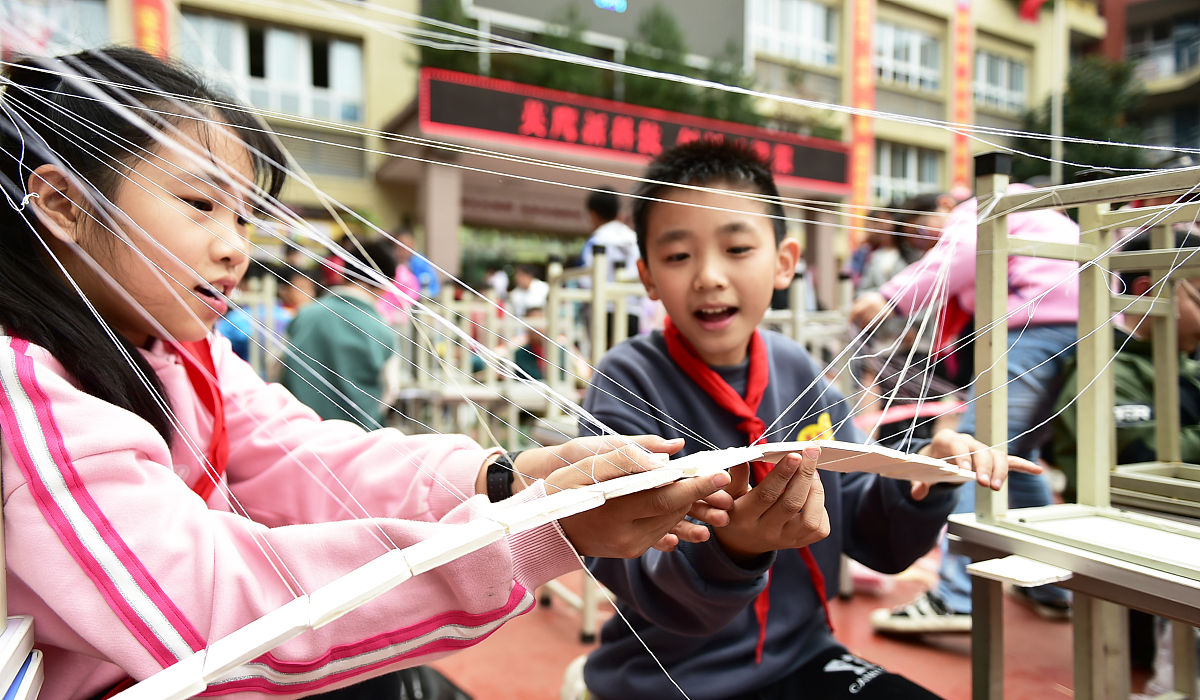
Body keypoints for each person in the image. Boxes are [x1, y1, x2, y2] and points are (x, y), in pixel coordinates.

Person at [0, 47, 735, 700]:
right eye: (200, 205)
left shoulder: (177, 349)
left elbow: (308, 453)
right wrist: (534, 529)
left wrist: (510, 478)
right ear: (62, 204)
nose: (234, 249)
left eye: (246, 219)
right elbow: (210, 616)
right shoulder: (27, 394)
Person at [579, 140, 1038, 700]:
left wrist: (921, 484)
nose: (708, 276)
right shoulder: (629, 380)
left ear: (785, 262)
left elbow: (873, 538)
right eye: (678, 257)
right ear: (648, 277)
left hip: (805, 657)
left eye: (737, 248)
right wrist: (735, 549)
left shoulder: (799, 370)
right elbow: (623, 557)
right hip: (672, 678)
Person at [853, 181, 1080, 634]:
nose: (927, 244)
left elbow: (956, 255)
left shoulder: (981, 207)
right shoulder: (1034, 211)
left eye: (924, 233)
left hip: (1033, 327)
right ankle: (1051, 586)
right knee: (1020, 459)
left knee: (972, 451)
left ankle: (956, 594)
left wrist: (888, 297)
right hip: (1080, 325)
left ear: (944, 205)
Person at [1048, 230, 1200, 695]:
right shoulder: (1105, 367)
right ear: (1147, 292)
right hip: (1144, 571)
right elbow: (1142, 460)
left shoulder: (1186, 366)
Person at [281, 239, 402, 429]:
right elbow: (389, 393)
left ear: (345, 273)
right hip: (359, 442)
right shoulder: (382, 330)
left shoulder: (305, 315)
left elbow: (278, 369)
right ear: (387, 284)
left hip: (300, 437)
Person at [394, 229, 441, 299]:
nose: (403, 250)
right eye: (400, 247)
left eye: (406, 246)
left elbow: (422, 284)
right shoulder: (402, 261)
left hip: (426, 298)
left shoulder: (418, 261)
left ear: (413, 245)